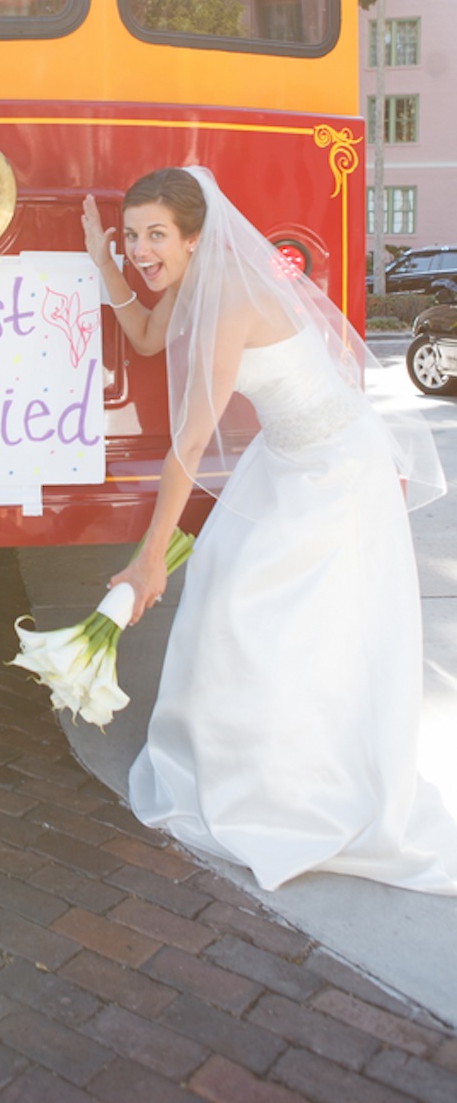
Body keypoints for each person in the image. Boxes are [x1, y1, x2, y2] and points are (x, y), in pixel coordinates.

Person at [82, 165, 457, 895]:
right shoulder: (195, 282)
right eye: (131, 237)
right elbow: (150, 338)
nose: (140, 250)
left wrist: (148, 559)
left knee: (271, 617)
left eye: (155, 235)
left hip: (335, 469)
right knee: (229, 599)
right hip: (285, 456)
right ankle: (246, 762)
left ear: (196, 238)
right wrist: (104, 264)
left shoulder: (227, 302)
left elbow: (188, 444)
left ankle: (294, 788)